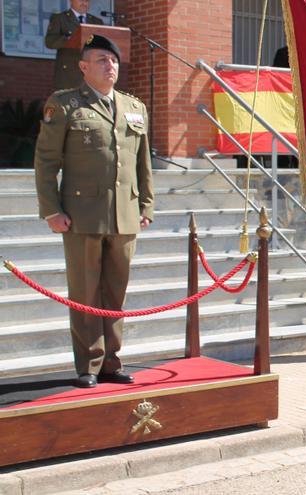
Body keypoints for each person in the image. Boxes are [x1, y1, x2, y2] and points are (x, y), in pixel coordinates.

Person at [34, 35, 153, 389]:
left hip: (125, 215)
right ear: (84, 67)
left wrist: (145, 204)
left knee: (115, 292)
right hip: (81, 214)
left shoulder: (134, 107)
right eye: (101, 60)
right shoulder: (65, 105)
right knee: (85, 292)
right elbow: (45, 161)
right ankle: (88, 363)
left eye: (113, 60)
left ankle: (111, 363)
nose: (110, 66)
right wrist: (51, 210)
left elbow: (142, 161)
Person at [45, 0, 105, 91]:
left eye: (87, 0)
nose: (84, 3)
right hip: (68, 73)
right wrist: (70, 39)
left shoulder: (96, 22)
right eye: (81, 0)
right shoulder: (60, 18)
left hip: (91, 73)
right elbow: (50, 42)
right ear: (71, 1)